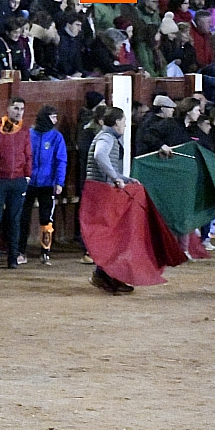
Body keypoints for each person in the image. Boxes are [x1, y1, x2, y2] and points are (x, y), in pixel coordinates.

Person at [85, 107, 137, 294]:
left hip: (100, 191)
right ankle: (105, 275)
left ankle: (107, 275)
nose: (125, 125)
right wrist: (115, 178)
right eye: (123, 121)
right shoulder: (107, 138)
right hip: (102, 193)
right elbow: (100, 156)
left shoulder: (106, 137)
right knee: (112, 236)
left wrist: (125, 179)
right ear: (116, 122)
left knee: (111, 236)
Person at [0, 97, 32, 269]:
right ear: (8, 108)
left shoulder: (24, 130)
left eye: (21, 109)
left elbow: (28, 154)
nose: (19, 112)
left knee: (14, 220)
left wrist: (27, 176)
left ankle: (12, 259)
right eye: (16, 108)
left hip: (17, 180)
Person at [24, 106, 68, 266]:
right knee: (23, 217)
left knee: (46, 218)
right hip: (28, 182)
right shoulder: (29, 134)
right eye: (53, 117)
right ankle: (20, 251)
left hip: (47, 183)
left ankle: (45, 252)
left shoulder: (56, 137)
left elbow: (61, 161)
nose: (55, 121)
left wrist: (59, 182)